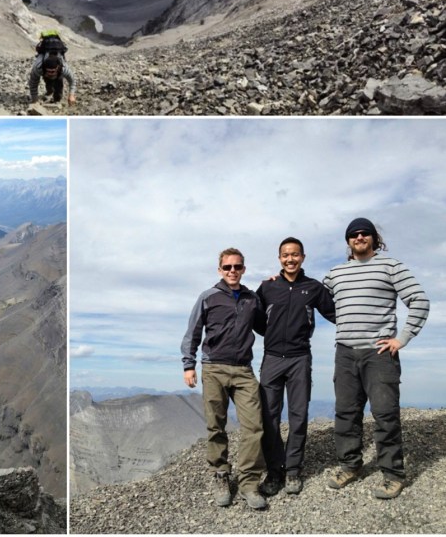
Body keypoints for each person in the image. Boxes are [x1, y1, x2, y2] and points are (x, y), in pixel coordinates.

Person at [323, 218, 429, 499]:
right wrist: (280, 281)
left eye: (364, 233)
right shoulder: (335, 273)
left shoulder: (391, 267)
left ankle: (393, 474)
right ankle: (350, 466)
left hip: (379, 354)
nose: (359, 237)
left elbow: (419, 300)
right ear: (348, 241)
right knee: (346, 413)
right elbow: (316, 299)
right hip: (345, 353)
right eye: (354, 234)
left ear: (374, 238)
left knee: (384, 414)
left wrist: (401, 338)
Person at [181, 247, 268, 510]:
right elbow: (193, 332)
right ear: (220, 269)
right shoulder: (208, 297)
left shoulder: (252, 299)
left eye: (237, 267)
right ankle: (220, 474)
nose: (233, 271)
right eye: (228, 267)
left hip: (243, 370)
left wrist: (273, 291)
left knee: (254, 427)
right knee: (216, 425)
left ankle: (249, 484)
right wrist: (189, 365)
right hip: (213, 368)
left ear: (244, 269)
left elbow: (265, 327)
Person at [256, 237, 336, 496]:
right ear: (279, 258)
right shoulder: (267, 288)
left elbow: (335, 313)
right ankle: (274, 470)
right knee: (269, 417)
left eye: (295, 254)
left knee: (299, 416)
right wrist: (272, 335)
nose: (290, 259)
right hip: (271, 359)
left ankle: (292, 470)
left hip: (300, 358)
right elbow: (255, 319)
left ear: (303, 257)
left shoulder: (313, 288)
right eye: (285, 255)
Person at [28, 30, 76, 106]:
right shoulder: (38, 67)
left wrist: (71, 95)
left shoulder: (63, 68)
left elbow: (72, 81)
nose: (51, 73)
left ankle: (57, 99)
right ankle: (49, 91)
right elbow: (33, 84)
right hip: (45, 71)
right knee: (48, 81)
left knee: (58, 84)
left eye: (53, 71)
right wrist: (35, 100)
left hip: (57, 73)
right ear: (44, 68)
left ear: (58, 67)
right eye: (49, 71)